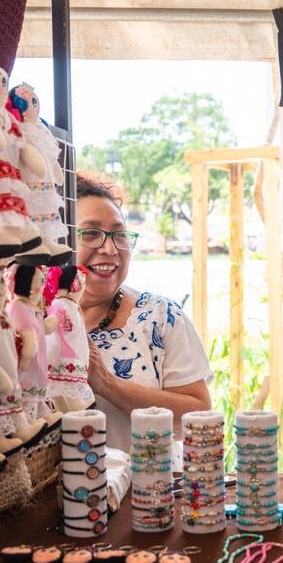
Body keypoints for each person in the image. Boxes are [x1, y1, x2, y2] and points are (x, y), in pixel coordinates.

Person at [75, 174, 212, 451]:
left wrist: (108, 385)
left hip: (149, 491)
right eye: (91, 233)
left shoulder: (159, 317)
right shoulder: (29, 322)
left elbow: (198, 416)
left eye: (120, 235)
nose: (110, 248)